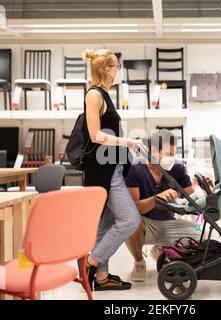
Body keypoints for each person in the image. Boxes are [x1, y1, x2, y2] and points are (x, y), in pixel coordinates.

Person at [82, 48, 142, 291]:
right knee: (130, 219)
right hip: (103, 171)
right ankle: (91, 261)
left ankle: (102, 276)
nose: (118, 70)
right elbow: (96, 136)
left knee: (105, 223)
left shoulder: (105, 94)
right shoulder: (94, 95)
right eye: (116, 66)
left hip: (112, 167)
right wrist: (127, 141)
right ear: (107, 70)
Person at [125, 130, 212, 282]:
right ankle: (139, 263)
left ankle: (161, 250)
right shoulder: (135, 169)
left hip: (169, 223)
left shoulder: (176, 168)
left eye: (173, 153)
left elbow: (187, 195)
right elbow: (135, 208)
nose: (171, 158)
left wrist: (199, 185)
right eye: (167, 153)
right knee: (128, 221)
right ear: (152, 151)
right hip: (145, 225)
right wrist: (156, 199)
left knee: (201, 239)